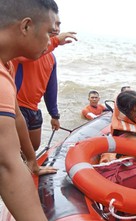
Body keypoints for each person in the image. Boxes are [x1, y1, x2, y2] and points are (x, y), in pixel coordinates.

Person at [0, 0, 59, 220]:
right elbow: (6, 166)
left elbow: (15, 116)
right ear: (26, 26)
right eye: (48, 33)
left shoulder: (7, 65)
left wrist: (33, 162)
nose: (51, 40)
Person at [13, 14, 77, 151]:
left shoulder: (51, 58)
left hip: (34, 109)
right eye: (54, 24)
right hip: (16, 106)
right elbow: (24, 57)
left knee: (34, 146)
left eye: (59, 25)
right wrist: (55, 42)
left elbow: (51, 88)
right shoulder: (25, 50)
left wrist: (54, 115)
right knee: (18, 148)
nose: (57, 29)